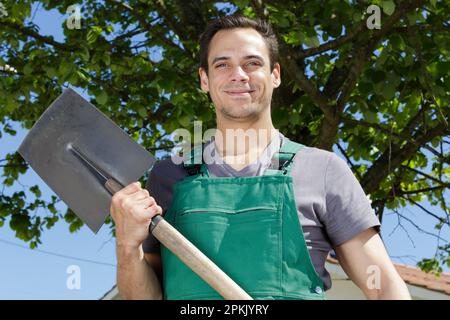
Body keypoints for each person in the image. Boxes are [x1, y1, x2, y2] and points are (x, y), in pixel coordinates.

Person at [110, 15, 411, 300]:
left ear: (275, 74)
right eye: (222, 64)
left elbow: (384, 286)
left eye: (252, 63)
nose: (238, 75)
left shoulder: (323, 170)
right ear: (204, 79)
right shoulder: (168, 176)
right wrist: (126, 244)